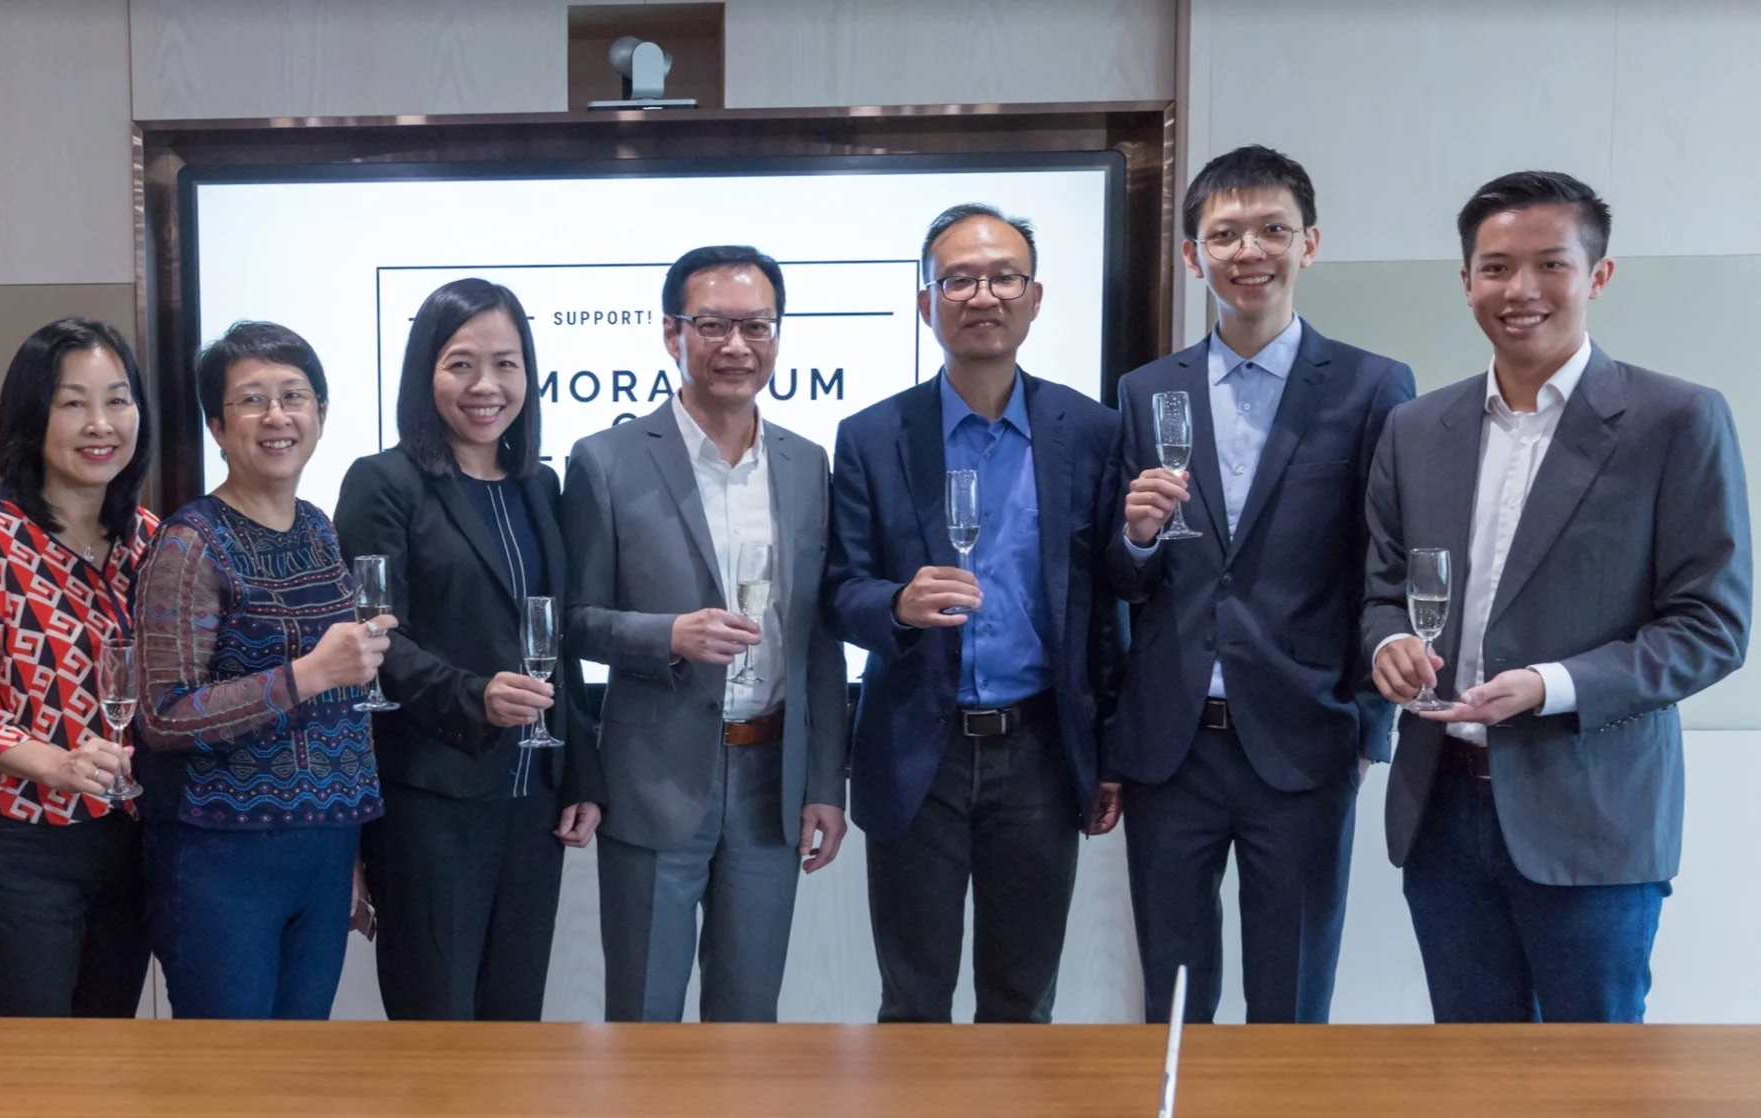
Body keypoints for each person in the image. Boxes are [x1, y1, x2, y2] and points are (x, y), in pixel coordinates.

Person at [1364, 171, 1750, 1023]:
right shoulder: (1416, 428)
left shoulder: (1677, 420)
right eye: (1496, 267)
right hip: (1444, 811)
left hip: (1595, 816)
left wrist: (1551, 686)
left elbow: (1712, 627)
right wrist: (1386, 643)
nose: (1522, 290)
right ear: (1466, 281)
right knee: (1472, 1072)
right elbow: (1384, 590)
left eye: (1551, 264)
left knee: (1595, 1082)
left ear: (1598, 275)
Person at [1107, 146, 1416, 1023]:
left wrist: (1367, 728)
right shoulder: (1143, 392)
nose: (1250, 251)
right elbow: (1124, 577)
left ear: (1309, 244)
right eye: (1225, 233)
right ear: (1191, 254)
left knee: (1290, 1005)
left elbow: (1382, 565)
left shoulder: (1370, 386)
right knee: (1171, 998)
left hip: (1306, 742)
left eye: (1272, 230)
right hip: (1170, 747)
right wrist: (1134, 539)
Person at [825, 205, 1122, 1024]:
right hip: (919, 747)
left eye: (1003, 277)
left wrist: (1108, 751)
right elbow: (839, 588)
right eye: (958, 279)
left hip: (1038, 751)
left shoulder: (1090, 432)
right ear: (927, 303)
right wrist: (897, 604)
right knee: (914, 1002)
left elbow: (1106, 608)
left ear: (1034, 298)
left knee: (1022, 1002)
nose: (982, 295)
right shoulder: (872, 435)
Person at [563, 245, 848, 1023]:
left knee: (749, 1021)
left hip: (772, 780)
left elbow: (819, 637)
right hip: (653, 776)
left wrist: (825, 783)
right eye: (713, 324)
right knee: (645, 1019)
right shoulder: (605, 461)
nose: (735, 346)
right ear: (670, 333)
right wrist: (669, 635)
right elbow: (574, 622)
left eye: (757, 326)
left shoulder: (805, 462)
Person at [333, 279, 605, 1021]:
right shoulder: (385, 482)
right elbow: (375, 637)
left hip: (533, 802)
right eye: (461, 364)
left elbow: (559, 642)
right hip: (432, 800)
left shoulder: (538, 485)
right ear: (425, 373)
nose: (486, 385)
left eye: (507, 363)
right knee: (437, 1027)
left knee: (515, 1025)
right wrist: (473, 694)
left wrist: (581, 772)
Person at [134, 320, 388, 1020]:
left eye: (294, 396)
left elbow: (344, 708)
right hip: (222, 858)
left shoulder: (318, 526)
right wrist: (306, 674)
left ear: (322, 414)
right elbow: (163, 716)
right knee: (226, 1080)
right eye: (251, 401)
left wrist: (352, 848)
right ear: (217, 424)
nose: (276, 417)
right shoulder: (190, 544)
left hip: (326, 850)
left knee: (297, 1073)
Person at [0, 318, 160, 1017]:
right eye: (73, 402)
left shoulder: (154, 542)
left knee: (102, 1062)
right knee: (23, 1072)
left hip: (129, 842)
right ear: (33, 416)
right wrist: (57, 765)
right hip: (15, 851)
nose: (101, 424)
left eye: (118, 400)